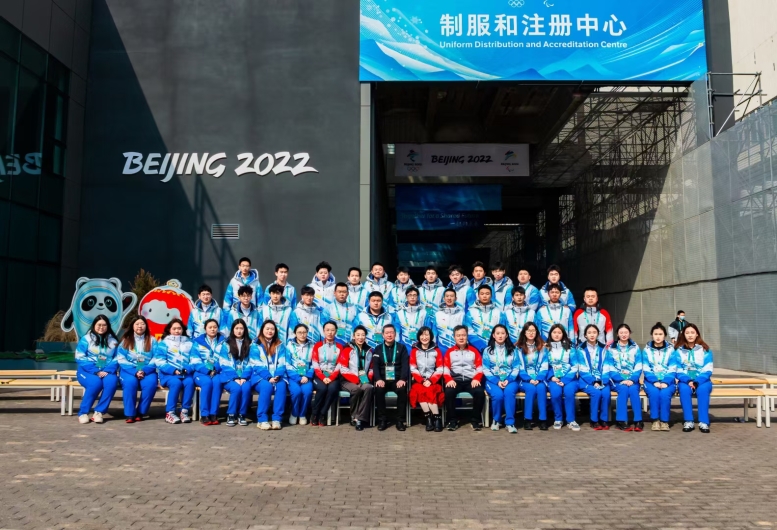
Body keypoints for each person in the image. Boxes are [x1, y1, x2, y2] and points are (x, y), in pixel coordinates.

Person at [75, 314, 119, 424]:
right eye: (99, 324)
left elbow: (117, 358)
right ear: (94, 325)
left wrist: (107, 370)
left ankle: (99, 412)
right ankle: (83, 413)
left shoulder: (113, 341)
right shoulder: (86, 339)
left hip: (106, 371)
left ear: (108, 326)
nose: (101, 327)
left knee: (112, 382)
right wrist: (96, 371)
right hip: (87, 371)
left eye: (104, 325)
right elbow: (79, 357)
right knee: (95, 383)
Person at [443, 325, 485, 431]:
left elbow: (480, 368)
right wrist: (449, 380)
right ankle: (452, 421)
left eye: (463, 335)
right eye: (458, 335)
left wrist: (476, 378)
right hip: (455, 380)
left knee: (479, 392)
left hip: (471, 380)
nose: (461, 338)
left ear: (467, 336)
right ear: (454, 337)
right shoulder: (449, 352)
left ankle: (475, 420)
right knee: (449, 392)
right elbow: (445, 369)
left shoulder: (474, 351)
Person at [116, 315, 157, 423]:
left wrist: (144, 370)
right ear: (132, 326)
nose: (140, 326)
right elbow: (121, 358)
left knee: (151, 384)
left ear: (146, 326)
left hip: (147, 370)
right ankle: (130, 414)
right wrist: (134, 371)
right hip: (129, 370)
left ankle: (141, 412)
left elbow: (156, 357)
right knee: (130, 383)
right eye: (137, 324)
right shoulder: (126, 340)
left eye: (142, 324)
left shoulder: (152, 340)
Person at [482, 324, 522, 433]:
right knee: (498, 395)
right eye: (498, 333)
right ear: (493, 335)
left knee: (509, 393)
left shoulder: (513, 350)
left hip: (510, 380)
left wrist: (509, 380)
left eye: (503, 333)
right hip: (493, 380)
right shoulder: (487, 350)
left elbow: (516, 367)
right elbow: (485, 369)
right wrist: (496, 381)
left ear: (507, 335)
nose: (500, 336)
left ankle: (510, 422)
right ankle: (496, 420)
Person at [155, 318, 196, 424]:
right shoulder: (164, 343)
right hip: (168, 375)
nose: (177, 331)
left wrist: (188, 369)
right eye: (174, 329)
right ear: (169, 330)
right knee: (176, 383)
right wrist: (173, 370)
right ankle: (170, 413)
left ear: (183, 329)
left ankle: (184, 411)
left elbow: (194, 359)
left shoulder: (189, 343)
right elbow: (159, 360)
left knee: (190, 382)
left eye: (179, 328)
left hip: (185, 374)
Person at [214, 319, 253, 426]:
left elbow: (252, 362)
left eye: (241, 328)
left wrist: (244, 377)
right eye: (236, 328)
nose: (239, 331)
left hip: (245, 376)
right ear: (232, 330)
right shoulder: (226, 344)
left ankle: (242, 414)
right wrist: (235, 377)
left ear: (245, 330)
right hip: (229, 376)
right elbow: (224, 362)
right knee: (236, 388)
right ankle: (231, 414)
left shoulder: (250, 344)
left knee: (246, 388)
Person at [675, 323, 714, 433]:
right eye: (687, 333)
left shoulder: (705, 350)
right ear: (683, 335)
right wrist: (688, 380)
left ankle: (703, 422)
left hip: (702, 381)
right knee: (684, 390)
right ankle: (688, 421)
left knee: (702, 390)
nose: (690, 335)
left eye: (692, 332)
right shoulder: (678, 351)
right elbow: (678, 369)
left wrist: (697, 381)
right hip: (685, 381)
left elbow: (708, 369)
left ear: (697, 334)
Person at [605, 324, 644, 431]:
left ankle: (638, 420)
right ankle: (621, 421)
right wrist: (621, 379)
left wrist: (632, 379)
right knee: (623, 389)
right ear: (617, 334)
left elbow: (638, 365)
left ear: (629, 333)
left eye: (626, 332)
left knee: (633, 390)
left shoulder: (635, 347)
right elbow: (609, 366)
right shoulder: (611, 348)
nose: (623, 334)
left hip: (632, 380)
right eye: (621, 332)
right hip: (617, 380)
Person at [371, 324, 410, 431]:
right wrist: (378, 379)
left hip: (397, 379)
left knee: (402, 390)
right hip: (383, 379)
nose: (389, 335)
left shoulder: (402, 348)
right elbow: (375, 366)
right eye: (387, 333)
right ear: (383, 335)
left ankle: (400, 420)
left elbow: (405, 365)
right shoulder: (378, 349)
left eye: (391, 332)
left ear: (395, 334)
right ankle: (382, 420)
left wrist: (402, 379)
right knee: (378, 390)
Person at [250, 320, 287, 430]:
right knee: (266, 386)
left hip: (276, 376)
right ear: (262, 330)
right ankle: (262, 419)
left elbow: (282, 362)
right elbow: (256, 364)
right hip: (260, 377)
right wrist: (268, 377)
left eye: (272, 329)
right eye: (267, 329)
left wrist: (278, 375)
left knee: (281, 385)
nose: (270, 331)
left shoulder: (280, 345)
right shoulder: (255, 344)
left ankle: (277, 419)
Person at [337, 325, 375, 431]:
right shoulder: (347, 349)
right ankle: (353, 416)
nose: (360, 337)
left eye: (363, 335)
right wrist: (356, 380)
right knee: (356, 389)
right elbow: (343, 368)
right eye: (358, 335)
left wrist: (367, 378)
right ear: (353, 336)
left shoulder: (369, 351)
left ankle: (360, 418)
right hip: (347, 380)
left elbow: (371, 368)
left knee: (369, 388)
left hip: (363, 380)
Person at [544, 324, 581, 431]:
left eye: (559, 333)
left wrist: (565, 379)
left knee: (569, 393)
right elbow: (544, 365)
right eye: (554, 332)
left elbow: (575, 365)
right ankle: (558, 419)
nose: (557, 335)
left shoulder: (570, 348)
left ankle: (571, 420)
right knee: (556, 394)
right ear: (550, 334)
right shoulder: (546, 348)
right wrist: (551, 377)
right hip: (554, 378)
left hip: (569, 378)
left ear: (563, 334)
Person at [642, 322, 678, 432]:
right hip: (651, 381)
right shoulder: (646, 350)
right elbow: (646, 368)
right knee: (654, 393)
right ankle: (655, 420)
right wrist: (654, 381)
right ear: (652, 335)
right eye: (656, 334)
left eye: (660, 334)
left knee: (665, 394)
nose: (658, 337)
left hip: (668, 380)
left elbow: (673, 367)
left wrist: (666, 381)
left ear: (665, 335)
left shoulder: (671, 349)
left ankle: (664, 421)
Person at [409, 326, 444, 432]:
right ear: (419, 337)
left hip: (433, 381)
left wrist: (431, 380)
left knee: (430, 391)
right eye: (422, 335)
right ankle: (429, 418)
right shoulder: (414, 351)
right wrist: (422, 380)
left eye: (427, 335)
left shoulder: (436, 350)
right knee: (420, 391)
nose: (424, 337)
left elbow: (440, 368)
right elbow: (413, 368)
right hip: (419, 381)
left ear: (431, 336)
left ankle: (437, 419)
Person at [191, 318, 225, 425]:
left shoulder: (223, 342)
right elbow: (194, 360)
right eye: (210, 327)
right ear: (205, 329)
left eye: (215, 327)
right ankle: (204, 414)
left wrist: (215, 369)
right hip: (201, 373)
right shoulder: (197, 342)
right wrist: (207, 370)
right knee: (207, 383)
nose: (212, 329)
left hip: (217, 372)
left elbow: (225, 359)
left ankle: (213, 414)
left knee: (217, 382)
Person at [576, 324, 611, 430]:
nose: (592, 335)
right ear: (585, 335)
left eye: (594, 332)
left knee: (606, 393)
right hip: (586, 380)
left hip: (602, 379)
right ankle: (594, 420)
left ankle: (604, 419)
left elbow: (607, 366)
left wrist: (602, 380)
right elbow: (582, 369)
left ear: (598, 334)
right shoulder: (580, 349)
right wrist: (593, 381)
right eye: (589, 333)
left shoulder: (604, 348)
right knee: (596, 393)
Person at [310, 321, 343, 426]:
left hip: (333, 375)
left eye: (332, 330)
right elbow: (315, 363)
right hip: (319, 375)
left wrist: (332, 377)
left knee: (332, 389)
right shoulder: (317, 345)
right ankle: (314, 414)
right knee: (322, 388)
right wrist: (323, 377)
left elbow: (339, 365)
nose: (330, 332)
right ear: (323, 331)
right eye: (327, 330)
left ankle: (322, 414)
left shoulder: (340, 347)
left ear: (336, 332)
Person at [517, 322, 548, 430]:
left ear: (536, 332)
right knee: (530, 389)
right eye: (528, 331)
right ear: (524, 333)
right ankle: (527, 419)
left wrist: (539, 378)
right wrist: (529, 379)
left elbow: (544, 365)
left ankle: (543, 419)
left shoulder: (542, 347)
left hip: (539, 378)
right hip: (524, 379)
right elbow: (519, 366)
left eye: (533, 331)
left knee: (541, 388)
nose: (531, 333)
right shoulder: (518, 348)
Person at [285, 323, 315, 425]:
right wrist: (297, 377)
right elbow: (287, 364)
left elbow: (314, 363)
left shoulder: (312, 345)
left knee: (307, 392)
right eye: (299, 332)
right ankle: (294, 413)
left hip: (306, 377)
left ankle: (302, 414)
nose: (302, 335)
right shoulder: (289, 345)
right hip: (293, 377)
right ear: (295, 333)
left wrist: (307, 376)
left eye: (304, 332)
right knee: (296, 392)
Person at [464, 284, 502, 351]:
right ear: (478, 296)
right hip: (475, 349)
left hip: (494, 348)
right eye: (482, 294)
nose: (484, 296)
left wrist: (492, 346)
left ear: (491, 295)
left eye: (487, 294)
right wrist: (481, 346)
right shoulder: (470, 312)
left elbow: (502, 331)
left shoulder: (498, 312)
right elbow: (468, 331)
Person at [395, 286, 430, 353]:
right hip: (403, 348)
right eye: (410, 295)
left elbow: (427, 331)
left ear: (417, 297)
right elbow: (397, 332)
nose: (412, 297)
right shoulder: (399, 313)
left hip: (420, 348)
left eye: (414, 295)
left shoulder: (424, 313)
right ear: (406, 297)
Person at [432, 288, 466, 352]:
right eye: (447, 296)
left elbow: (465, 333)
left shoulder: (461, 314)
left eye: (452, 296)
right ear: (444, 299)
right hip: (441, 349)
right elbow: (434, 333)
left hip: (458, 349)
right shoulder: (438, 314)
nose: (449, 298)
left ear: (456, 298)